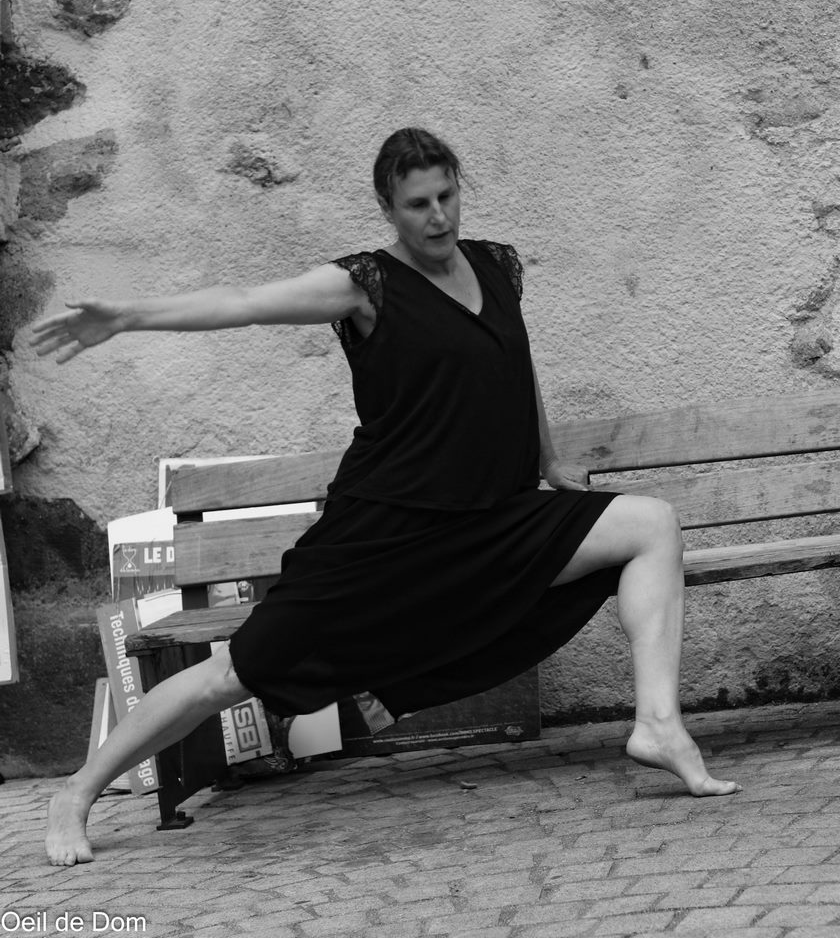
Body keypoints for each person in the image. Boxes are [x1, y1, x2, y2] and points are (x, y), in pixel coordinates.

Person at [34, 127, 740, 866]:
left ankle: (659, 725)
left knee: (652, 525)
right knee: (234, 674)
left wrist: (548, 457)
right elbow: (245, 301)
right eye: (417, 205)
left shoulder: (497, 266)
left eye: (446, 196)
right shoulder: (366, 286)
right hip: (381, 538)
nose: (437, 217)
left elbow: (514, 363)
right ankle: (76, 793)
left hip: (491, 521)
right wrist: (128, 317)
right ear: (388, 209)